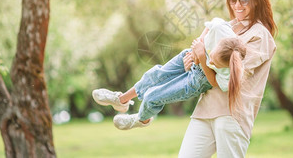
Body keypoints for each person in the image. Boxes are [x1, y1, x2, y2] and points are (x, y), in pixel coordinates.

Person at [178, 0, 277, 158]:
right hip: (204, 109)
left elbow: (229, 80)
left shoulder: (260, 35)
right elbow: (204, 60)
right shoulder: (224, 27)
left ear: (256, 1)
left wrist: (202, 56)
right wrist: (192, 60)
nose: (237, 5)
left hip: (232, 116)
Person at [92, 17, 247, 130]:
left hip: (198, 80)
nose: (211, 62)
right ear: (218, 43)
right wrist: (196, 51)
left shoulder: (232, 72)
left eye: (215, 64)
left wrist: (202, 58)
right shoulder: (221, 30)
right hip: (191, 56)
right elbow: (211, 24)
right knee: (155, 75)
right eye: (211, 57)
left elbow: (213, 82)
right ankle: (121, 100)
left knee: (153, 96)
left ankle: (142, 119)